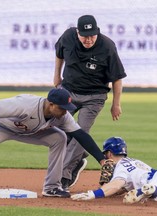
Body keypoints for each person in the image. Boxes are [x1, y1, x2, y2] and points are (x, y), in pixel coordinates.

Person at [53, 14, 127, 191]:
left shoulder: (107, 46)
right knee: (56, 129)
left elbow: (117, 78)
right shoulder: (67, 37)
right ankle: (79, 157)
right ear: (77, 32)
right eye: (85, 35)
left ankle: (65, 176)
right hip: (68, 91)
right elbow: (59, 54)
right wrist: (56, 75)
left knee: (80, 133)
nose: (88, 39)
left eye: (92, 35)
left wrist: (116, 104)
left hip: (94, 96)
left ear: (97, 32)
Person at [71, 137, 157, 203]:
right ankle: (149, 189)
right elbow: (121, 189)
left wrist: (93, 194)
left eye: (105, 154)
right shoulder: (134, 161)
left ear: (109, 153)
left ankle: (151, 190)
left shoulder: (120, 167)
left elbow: (116, 185)